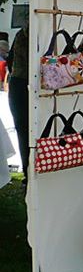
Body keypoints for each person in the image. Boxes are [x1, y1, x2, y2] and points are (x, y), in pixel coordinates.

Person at [7, 25, 29, 184]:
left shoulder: (22, 33)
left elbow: (10, 60)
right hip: (25, 83)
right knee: (26, 132)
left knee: (23, 133)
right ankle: (29, 174)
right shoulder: (31, 33)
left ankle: (28, 173)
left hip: (18, 82)